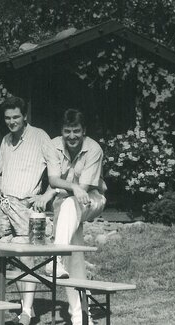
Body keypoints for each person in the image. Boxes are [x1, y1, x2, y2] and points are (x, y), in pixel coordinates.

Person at [0, 96, 55, 325]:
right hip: (6, 207)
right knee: (16, 259)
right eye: (8, 118)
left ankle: (27, 312)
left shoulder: (40, 137)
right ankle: (26, 309)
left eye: (16, 117)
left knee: (27, 256)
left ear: (25, 116)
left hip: (25, 206)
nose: (11, 121)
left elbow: (56, 172)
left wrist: (44, 196)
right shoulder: (6, 140)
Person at [46, 108, 107, 325]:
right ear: (61, 131)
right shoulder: (52, 145)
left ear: (84, 131)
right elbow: (54, 179)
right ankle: (81, 317)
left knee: (71, 202)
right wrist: (66, 187)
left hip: (93, 200)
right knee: (76, 258)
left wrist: (63, 189)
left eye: (76, 131)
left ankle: (55, 258)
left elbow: (83, 190)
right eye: (67, 131)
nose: (72, 136)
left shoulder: (94, 149)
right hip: (65, 207)